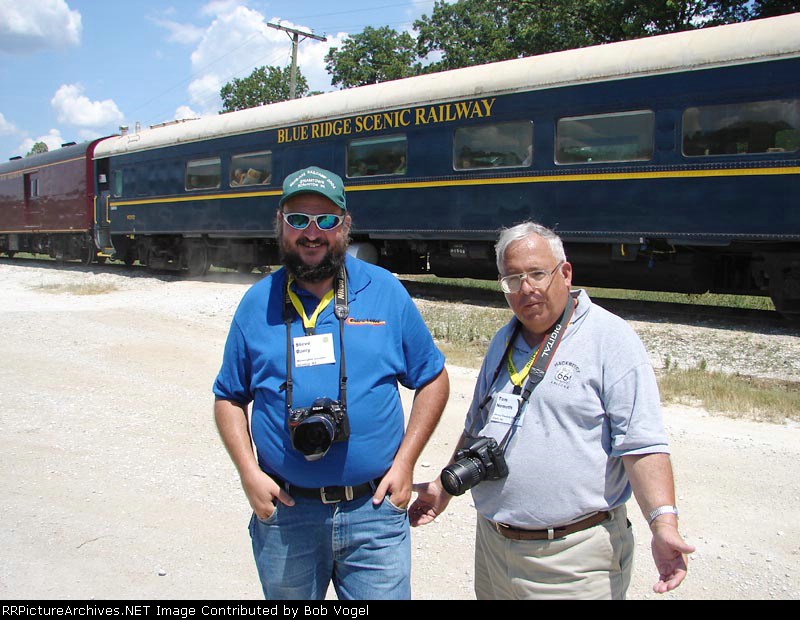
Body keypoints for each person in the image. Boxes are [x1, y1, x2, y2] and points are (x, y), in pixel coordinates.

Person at [409, 221, 694, 600]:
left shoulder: (610, 338)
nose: (526, 288)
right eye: (512, 279)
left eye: (537, 274)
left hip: (573, 561)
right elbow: (479, 426)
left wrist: (663, 522)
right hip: (494, 550)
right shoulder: (504, 339)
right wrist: (445, 488)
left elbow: (641, 444)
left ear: (565, 273)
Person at [213, 165, 449, 600]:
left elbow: (432, 378)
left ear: (346, 226)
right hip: (286, 515)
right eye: (298, 219)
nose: (312, 232)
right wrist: (248, 473)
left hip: (374, 514)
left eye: (326, 220)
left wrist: (405, 463)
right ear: (279, 225)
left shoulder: (385, 292)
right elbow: (228, 396)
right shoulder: (255, 303)